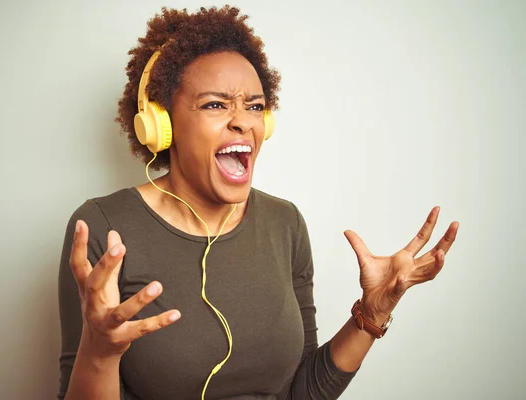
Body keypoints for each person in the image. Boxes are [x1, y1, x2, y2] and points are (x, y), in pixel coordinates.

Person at [57, 6, 459, 400]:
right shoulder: (104, 228)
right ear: (162, 126)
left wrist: (371, 315)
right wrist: (100, 354)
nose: (244, 121)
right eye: (215, 104)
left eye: (254, 106)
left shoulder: (284, 223)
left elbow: (301, 391)